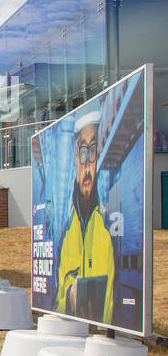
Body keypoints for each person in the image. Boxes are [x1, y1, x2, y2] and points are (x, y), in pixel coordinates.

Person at [54, 109, 115, 321]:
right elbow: (57, 297)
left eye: (93, 151)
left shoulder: (108, 225)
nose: (87, 165)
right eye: (82, 152)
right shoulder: (67, 227)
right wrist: (71, 296)